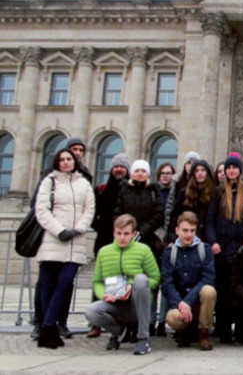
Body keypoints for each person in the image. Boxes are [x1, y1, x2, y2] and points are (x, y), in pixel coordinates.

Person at [34, 147, 95, 349]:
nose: (66, 162)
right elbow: (41, 210)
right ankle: (49, 329)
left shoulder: (84, 183)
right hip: (53, 240)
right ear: (57, 162)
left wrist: (78, 229)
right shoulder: (48, 181)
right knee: (48, 285)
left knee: (64, 283)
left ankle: (48, 325)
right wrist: (59, 230)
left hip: (75, 242)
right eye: (62, 159)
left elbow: (90, 209)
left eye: (69, 159)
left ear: (74, 162)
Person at [85, 214, 160, 355]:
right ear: (114, 233)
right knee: (91, 311)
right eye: (119, 233)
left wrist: (132, 287)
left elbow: (155, 278)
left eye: (126, 233)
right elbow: (98, 282)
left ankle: (143, 338)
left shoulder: (143, 250)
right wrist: (103, 295)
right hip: (114, 303)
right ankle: (118, 331)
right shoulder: (104, 252)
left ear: (133, 234)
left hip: (136, 303)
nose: (122, 237)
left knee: (141, 279)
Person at [205, 154, 243, 343]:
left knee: (242, 290)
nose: (231, 171)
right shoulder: (218, 192)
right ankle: (224, 331)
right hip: (222, 249)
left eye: (235, 167)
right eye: (229, 168)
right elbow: (209, 221)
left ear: (240, 170)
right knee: (223, 292)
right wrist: (213, 242)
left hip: (241, 250)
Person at [112, 160, 165, 337]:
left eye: (143, 171)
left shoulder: (153, 190)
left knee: (144, 285)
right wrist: (128, 232)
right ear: (132, 173)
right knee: (124, 283)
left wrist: (142, 232)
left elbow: (159, 214)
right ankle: (125, 326)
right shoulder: (124, 190)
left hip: (147, 243)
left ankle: (142, 325)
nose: (140, 173)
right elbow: (117, 213)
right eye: (137, 171)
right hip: (125, 243)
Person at [87, 152, 130, 338]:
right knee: (101, 281)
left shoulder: (129, 189)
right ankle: (95, 323)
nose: (119, 169)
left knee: (123, 282)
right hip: (104, 242)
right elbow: (91, 214)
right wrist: (103, 229)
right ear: (112, 169)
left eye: (122, 166)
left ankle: (118, 322)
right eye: (116, 166)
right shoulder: (101, 189)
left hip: (125, 244)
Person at [161, 211, 216, 350]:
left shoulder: (205, 249)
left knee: (209, 291)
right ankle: (183, 330)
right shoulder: (170, 253)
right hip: (179, 303)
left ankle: (203, 333)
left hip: (199, 302)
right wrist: (180, 303)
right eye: (185, 230)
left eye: (192, 231)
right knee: (172, 317)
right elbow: (167, 284)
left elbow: (208, 278)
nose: (189, 235)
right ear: (177, 230)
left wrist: (188, 301)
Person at [169, 159, 215, 241]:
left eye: (203, 170)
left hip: (205, 239)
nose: (200, 173)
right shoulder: (184, 193)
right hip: (185, 238)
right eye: (196, 171)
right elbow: (174, 217)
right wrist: (172, 238)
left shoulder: (213, 193)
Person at [164, 151, 200, 230]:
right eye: (188, 163)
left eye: (193, 163)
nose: (191, 166)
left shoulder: (202, 184)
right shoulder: (177, 183)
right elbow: (170, 207)